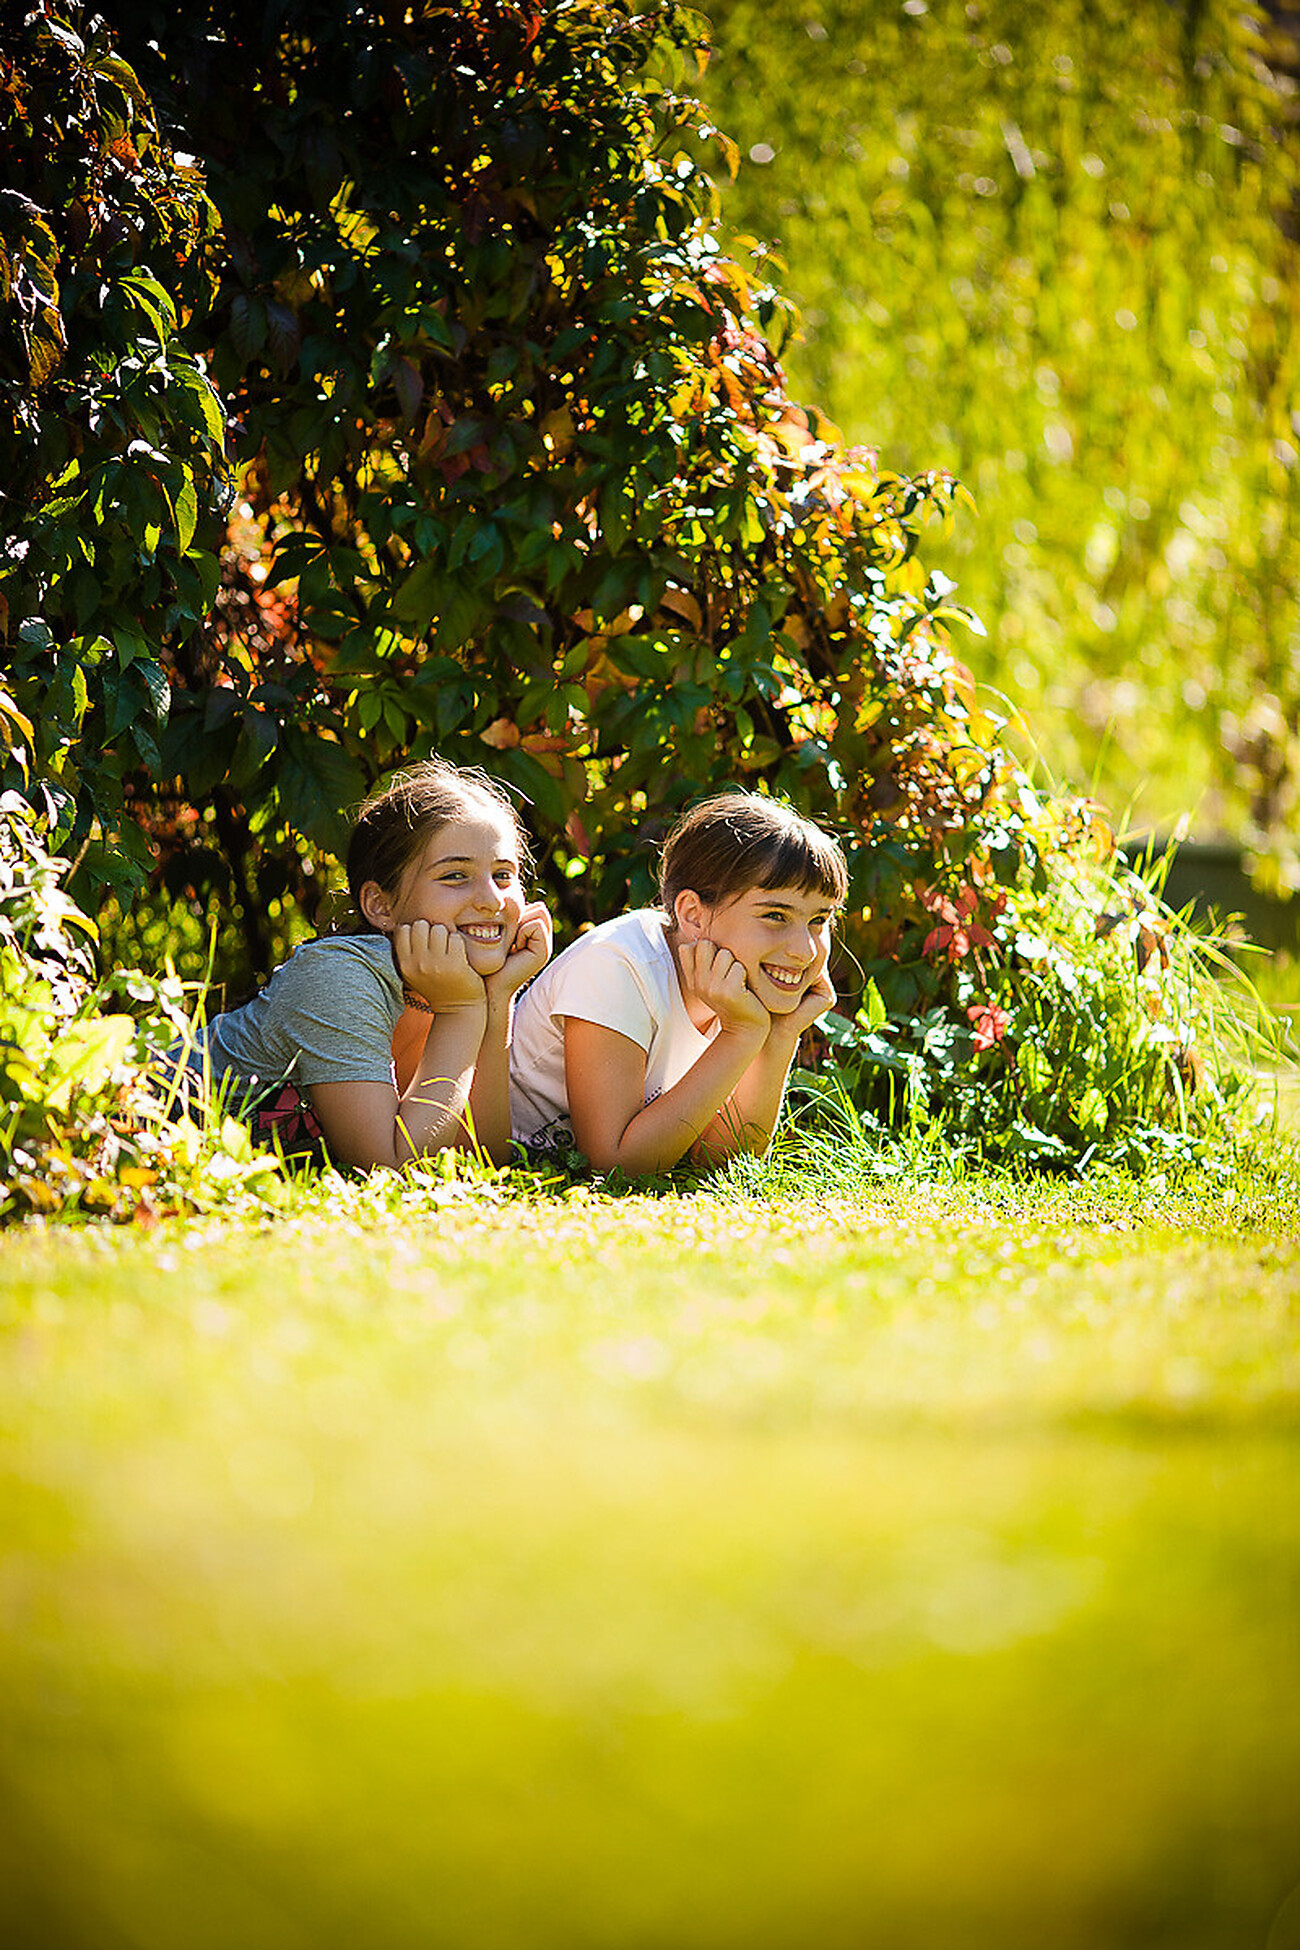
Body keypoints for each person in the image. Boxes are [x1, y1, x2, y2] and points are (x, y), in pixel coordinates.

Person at [174, 761, 552, 1169]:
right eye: (456, 875)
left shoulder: (444, 985)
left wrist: (497, 999)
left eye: (503, 875)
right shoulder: (340, 977)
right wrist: (462, 1011)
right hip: (132, 1112)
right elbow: (387, 1167)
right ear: (381, 905)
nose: (492, 900)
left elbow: (479, 1157)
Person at [509, 791, 847, 1174]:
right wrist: (740, 1035)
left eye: (819, 920)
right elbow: (612, 1167)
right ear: (693, 915)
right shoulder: (618, 965)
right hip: (500, 1160)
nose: (804, 950)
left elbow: (719, 1165)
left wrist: (779, 1034)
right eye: (775, 916)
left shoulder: (733, 986)